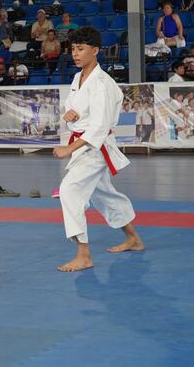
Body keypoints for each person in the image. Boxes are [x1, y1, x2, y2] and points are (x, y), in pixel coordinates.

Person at [52, 26, 143, 272]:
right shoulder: (77, 78)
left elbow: (99, 127)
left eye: (81, 49)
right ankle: (133, 238)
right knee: (103, 194)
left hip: (95, 147)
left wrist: (69, 149)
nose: (75, 54)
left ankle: (84, 254)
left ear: (95, 50)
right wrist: (70, 115)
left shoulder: (102, 83)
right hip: (85, 144)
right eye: (73, 49)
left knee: (69, 190)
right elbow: (75, 110)